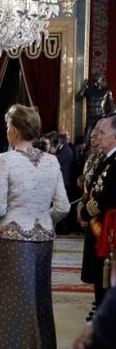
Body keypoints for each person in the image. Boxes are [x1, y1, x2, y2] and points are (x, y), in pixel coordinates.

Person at [0, 104, 70, 349]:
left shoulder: (6, 160)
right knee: (40, 299)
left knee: (12, 304)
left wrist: (8, 219)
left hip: (14, 241)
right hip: (44, 239)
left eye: (6, 127)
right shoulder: (51, 162)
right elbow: (63, 207)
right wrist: (45, 219)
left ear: (14, 131)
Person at [78, 116, 116, 313]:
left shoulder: (114, 161)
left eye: (102, 133)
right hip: (98, 224)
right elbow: (93, 187)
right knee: (98, 272)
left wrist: (85, 212)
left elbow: (105, 196)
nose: (97, 136)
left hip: (106, 226)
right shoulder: (105, 157)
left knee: (105, 272)